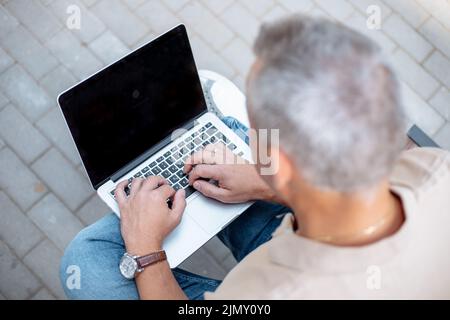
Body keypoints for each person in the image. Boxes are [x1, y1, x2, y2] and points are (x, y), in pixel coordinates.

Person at [60, 15, 450, 299]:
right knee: (224, 133)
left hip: (296, 265)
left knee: (85, 262)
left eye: (263, 127)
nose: (256, 130)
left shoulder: (268, 288)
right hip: (330, 234)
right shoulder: (434, 167)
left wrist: (146, 249)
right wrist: (266, 184)